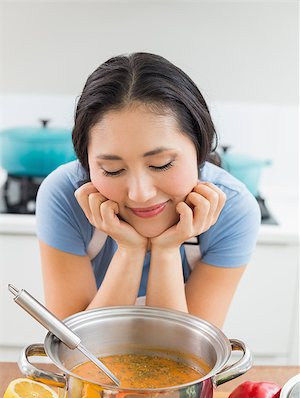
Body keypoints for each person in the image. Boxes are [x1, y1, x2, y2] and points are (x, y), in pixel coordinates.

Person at [36, 52, 261, 328]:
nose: (140, 194)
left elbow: (188, 358)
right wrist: (129, 250)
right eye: (112, 170)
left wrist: (167, 250)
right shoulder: (63, 196)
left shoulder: (234, 210)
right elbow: (72, 348)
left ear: (199, 149)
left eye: (161, 164)